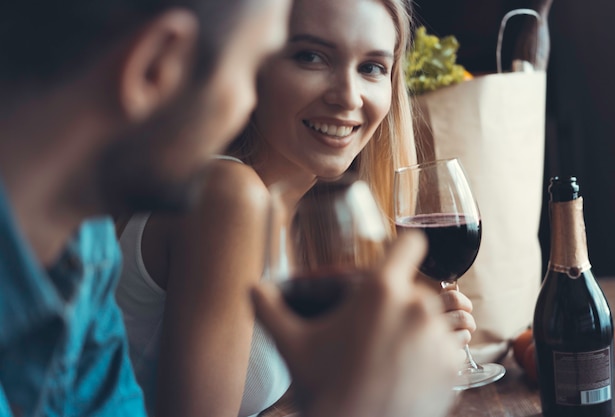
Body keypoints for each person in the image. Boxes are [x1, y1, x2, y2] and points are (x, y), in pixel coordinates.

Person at [0, 2, 463, 417]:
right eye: (250, 65)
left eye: (373, 67)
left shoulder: (86, 250)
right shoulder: (229, 193)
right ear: (157, 66)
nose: (347, 96)